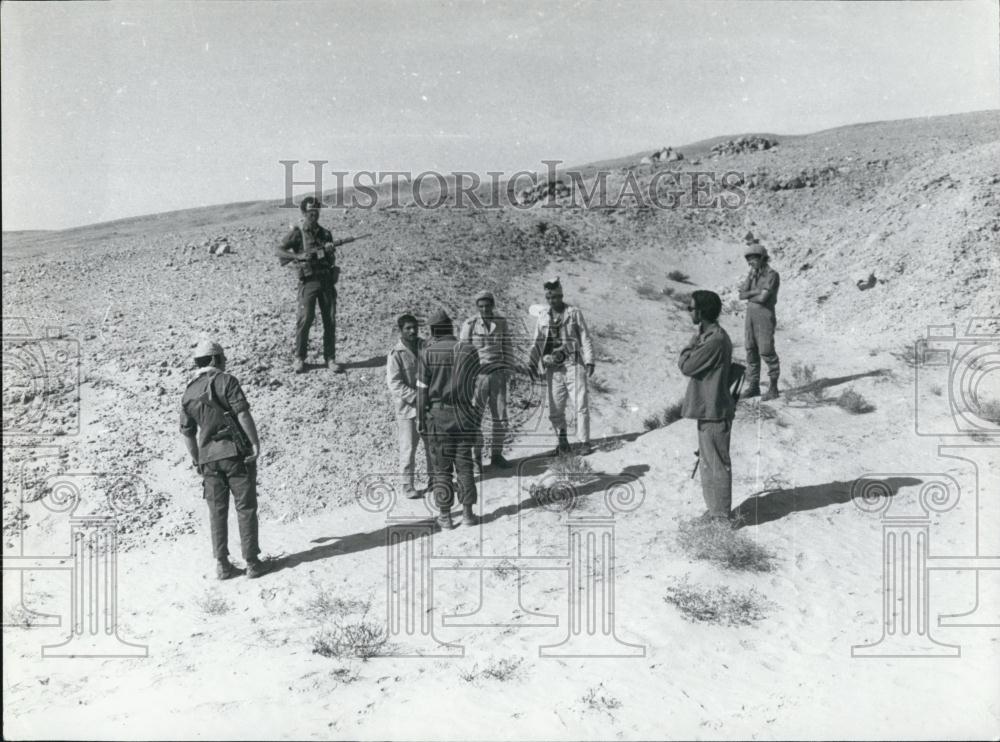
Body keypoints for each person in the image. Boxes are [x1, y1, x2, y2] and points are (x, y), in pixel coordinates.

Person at [179, 339, 266, 579]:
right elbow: (243, 414)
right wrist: (255, 443)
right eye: (223, 357)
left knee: (216, 511)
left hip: (208, 460)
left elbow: (186, 433)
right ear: (216, 359)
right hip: (235, 454)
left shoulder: (189, 392)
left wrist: (198, 460)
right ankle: (252, 563)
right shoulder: (227, 381)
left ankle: (223, 565)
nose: (226, 361)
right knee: (245, 507)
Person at [275, 196, 369, 374]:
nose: (314, 213)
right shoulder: (298, 233)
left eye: (316, 210)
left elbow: (330, 259)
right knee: (305, 319)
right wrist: (298, 256)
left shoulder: (325, 234)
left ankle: (330, 358)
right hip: (309, 282)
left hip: (326, 281)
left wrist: (330, 252)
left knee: (330, 320)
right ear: (303, 212)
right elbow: (278, 250)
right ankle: (300, 358)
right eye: (310, 210)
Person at [417, 309, 481, 529]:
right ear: (451, 327)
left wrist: (421, 419)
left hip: (438, 415)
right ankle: (468, 514)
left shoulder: (427, 353)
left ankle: (445, 516)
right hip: (464, 413)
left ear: (434, 330)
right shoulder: (470, 350)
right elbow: (475, 383)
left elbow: (422, 392)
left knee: (441, 467)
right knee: (465, 464)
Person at [679, 291, 736, 524]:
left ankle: (721, 517)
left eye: (691, 309)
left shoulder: (714, 340)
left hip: (714, 410)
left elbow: (686, 365)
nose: (689, 312)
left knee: (716, 464)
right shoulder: (711, 336)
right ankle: (714, 511)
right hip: (709, 409)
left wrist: (691, 343)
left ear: (702, 312)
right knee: (708, 462)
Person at [527, 277, 595, 456]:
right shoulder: (543, 317)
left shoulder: (573, 313)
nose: (553, 301)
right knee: (556, 408)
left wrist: (590, 360)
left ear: (561, 295)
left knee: (580, 405)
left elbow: (585, 337)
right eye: (549, 298)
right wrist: (532, 364)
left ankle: (584, 442)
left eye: (556, 297)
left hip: (573, 363)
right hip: (553, 367)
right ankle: (562, 442)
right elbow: (537, 342)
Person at [459, 290, 513, 470]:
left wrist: (509, 372)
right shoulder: (470, 324)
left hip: (498, 375)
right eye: (480, 306)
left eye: (487, 305)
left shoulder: (501, 323)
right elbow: (462, 353)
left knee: (501, 417)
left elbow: (508, 348)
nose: (484, 309)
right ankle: (477, 457)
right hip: (478, 377)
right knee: (476, 418)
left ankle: (496, 454)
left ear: (493, 305)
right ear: (477, 307)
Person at [386, 313, 432, 498]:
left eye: (414, 327)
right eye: (408, 328)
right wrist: (416, 397)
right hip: (408, 409)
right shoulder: (396, 354)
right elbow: (395, 384)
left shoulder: (426, 346)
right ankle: (407, 485)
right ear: (401, 330)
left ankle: (434, 480)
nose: (412, 331)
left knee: (432, 446)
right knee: (408, 447)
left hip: (428, 406)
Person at [739, 232, 781, 400]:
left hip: (764, 316)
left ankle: (773, 388)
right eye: (748, 259)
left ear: (763, 258)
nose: (750, 262)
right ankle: (754, 386)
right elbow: (741, 295)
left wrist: (751, 294)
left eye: (753, 258)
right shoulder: (752, 274)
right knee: (750, 350)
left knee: (766, 351)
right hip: (750, 316)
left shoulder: (772, 275)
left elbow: (764, 298)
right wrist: (755, 292)